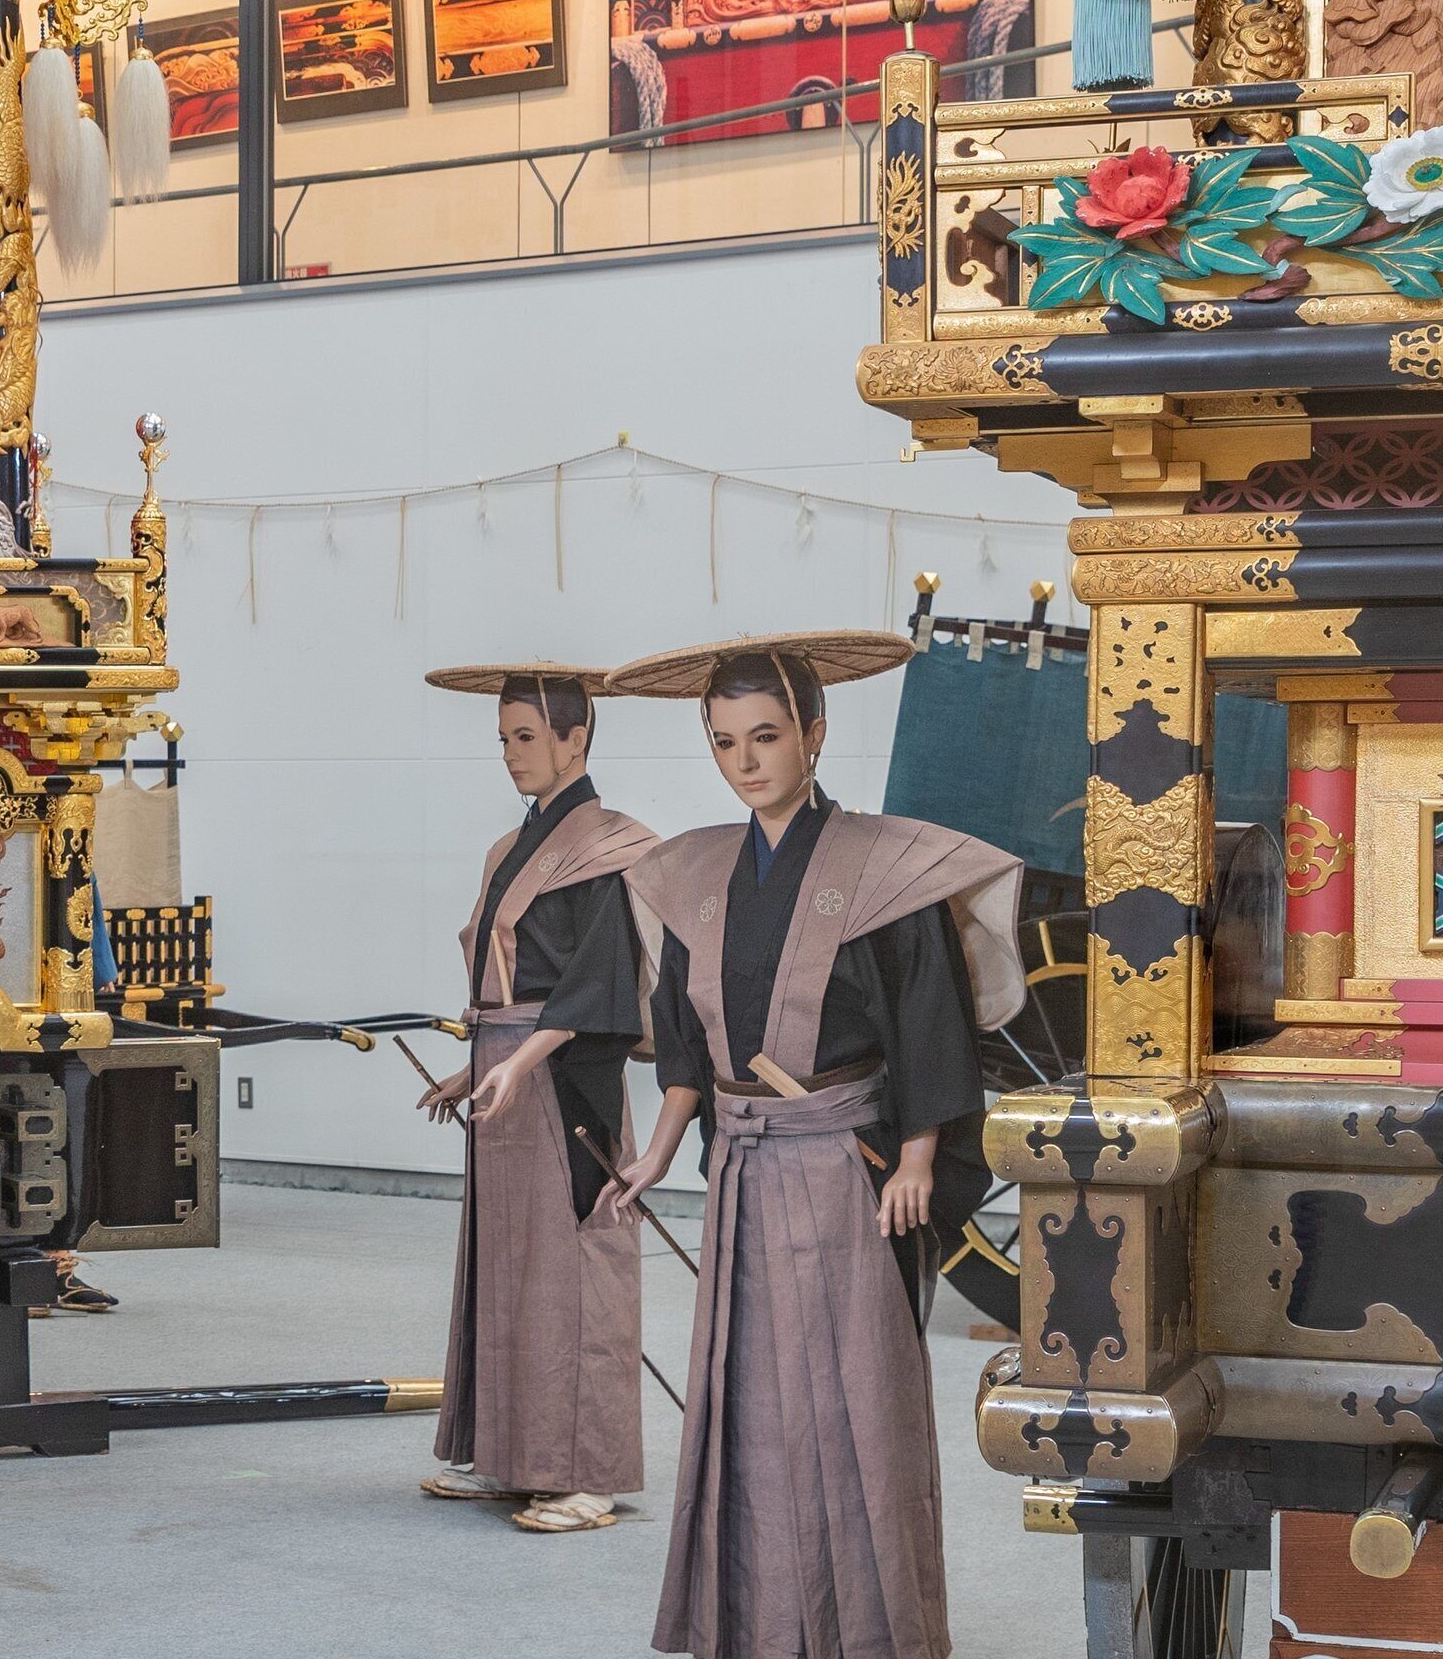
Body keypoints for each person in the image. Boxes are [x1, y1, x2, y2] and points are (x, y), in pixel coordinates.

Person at [599, 634, 1025, 1659]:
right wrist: (660, 1145)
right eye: (724, 743)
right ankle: (756, 1624)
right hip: (744, 1167)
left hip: (849, 1166)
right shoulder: (696, 874)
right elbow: (687, 1036)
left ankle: (868, 1632)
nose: (746, 762)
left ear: (815, 737)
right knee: (749, 1398)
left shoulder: (886, 869)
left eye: (766, 737)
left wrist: (920, 1152)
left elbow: (929, 1016)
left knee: (854, 1399)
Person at [415, 662, 657, 1534]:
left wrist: (521, 1061)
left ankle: (589, 1472)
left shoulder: (612, 845)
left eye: (527, 738)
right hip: (503, 1070)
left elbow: (602, 986)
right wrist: (475, 1060)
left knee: (577, 1269)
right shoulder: (511, 845)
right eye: (504, 740)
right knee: (509, 1267)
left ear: (575, 739)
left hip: (565, 1079)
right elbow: (499, 982)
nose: (513, 756)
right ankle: (511, 1460)